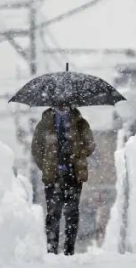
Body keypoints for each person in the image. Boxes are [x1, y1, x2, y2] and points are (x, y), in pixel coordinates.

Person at [31, 101, 95, 255]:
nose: (62, 105)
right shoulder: (44, 124)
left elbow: (90, 145)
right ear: (53, 102)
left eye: (65, 101)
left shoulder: (80, 123)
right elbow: (36, 148)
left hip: (73, 174)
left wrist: (77, 151)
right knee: (53, 213)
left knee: (72, 213)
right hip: (53, 177)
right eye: (59, 101)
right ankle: (52, 249)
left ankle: (69, 249)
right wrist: (46, 165)